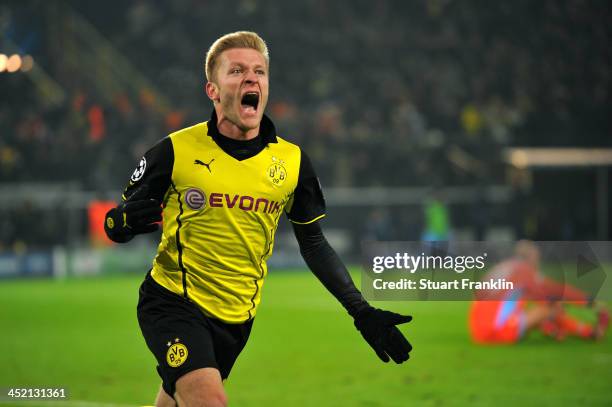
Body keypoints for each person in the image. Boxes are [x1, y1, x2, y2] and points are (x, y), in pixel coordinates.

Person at [103, 31, 412, 407]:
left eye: (259, 72)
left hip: (237, 319)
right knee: (209, 401)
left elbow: (313, 243)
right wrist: (121, 223)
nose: (251, 79)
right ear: (213, 90)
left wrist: (361, 311)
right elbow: (117, 221)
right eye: (236, 71)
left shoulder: (293, 162)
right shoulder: (174, 150)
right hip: (173, 303)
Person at [469, 240, 609, 344]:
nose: (538, 263)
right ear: (529, 258)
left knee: (539, 305)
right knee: (551, 307)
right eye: (537, 258)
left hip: (477, 331)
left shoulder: (500, 268)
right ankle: (589, 332)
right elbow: (556, 291)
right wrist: (590, 301)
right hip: (496, 330)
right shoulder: (524, 271)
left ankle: (551, 328)